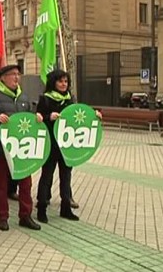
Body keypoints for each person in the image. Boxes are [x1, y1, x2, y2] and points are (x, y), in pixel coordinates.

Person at [0, 64, 42, 231]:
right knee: (2, 185)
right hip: (1, 148)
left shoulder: (23, 97)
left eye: (18, 74)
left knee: (26, 183)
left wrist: (37, 117)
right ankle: (3, 217)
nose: (16, 78)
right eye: (12, 74)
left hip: (21, 149)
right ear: (3, 78)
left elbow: (28, 117)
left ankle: (25, 215)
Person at [36, 69, 101, 223]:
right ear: (53, 82)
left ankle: (66, 208)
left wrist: (94, 115)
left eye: (66, 81)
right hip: (51, 144)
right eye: (60, 81)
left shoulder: (70, 99)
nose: (63, 84)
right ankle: (41, 208)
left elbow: (78, 116)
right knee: (47, 176)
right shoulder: (45, 99)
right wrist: (47, 117)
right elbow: (37, 119)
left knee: (66, 177)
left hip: (67, 145)